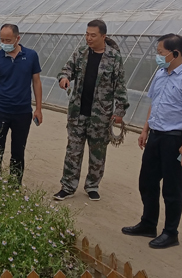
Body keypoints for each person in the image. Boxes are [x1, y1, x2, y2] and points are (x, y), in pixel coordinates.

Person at [122, 34, 182, 249]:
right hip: (155, 135)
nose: (158, 56)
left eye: (161, 53)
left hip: (174, 138)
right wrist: (145, 130)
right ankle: (148, 223)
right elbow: (154, 103)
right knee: (147, 181)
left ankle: (170, 232)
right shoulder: (159, 74)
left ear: (175, 54)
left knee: (172, 187)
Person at [53, 19, 128, 202]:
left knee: (98, 153)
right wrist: (64, 78)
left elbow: (120, 85)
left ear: (103, 36)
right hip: (77, 112)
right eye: (86, 34)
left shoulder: (114, 58)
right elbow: (66, 69)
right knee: (73, 151)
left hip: (100, 116)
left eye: (93, 35)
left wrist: (119, 111)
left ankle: (92, 186)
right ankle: (68, 187)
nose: (88, 38)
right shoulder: (81, 53)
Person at [0, 24, 42, 184]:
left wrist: (38, 109)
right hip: (0, 110)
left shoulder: (31, 56)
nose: (4, 43)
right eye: (2, 40)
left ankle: (15, 185)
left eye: (8, 40)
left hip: (22, 112)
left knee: (18, 151)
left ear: (17, 38)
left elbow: (36, 82)